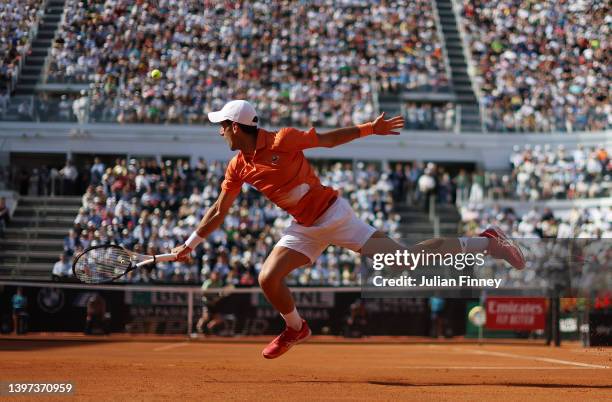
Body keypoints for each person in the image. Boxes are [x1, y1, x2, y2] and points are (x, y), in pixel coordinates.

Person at [172, 100, 525, 359]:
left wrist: (371, 128)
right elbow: (220, 209)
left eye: (222, 125)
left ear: (236, 126)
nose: (220, 131)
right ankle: (296, 328)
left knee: (405, 261)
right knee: (268, 278)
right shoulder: (237, 166)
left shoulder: (282, 140)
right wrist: (190, 243)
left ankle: (485, 241)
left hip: (335, 216)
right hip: (303, 227)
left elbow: (327, 140)